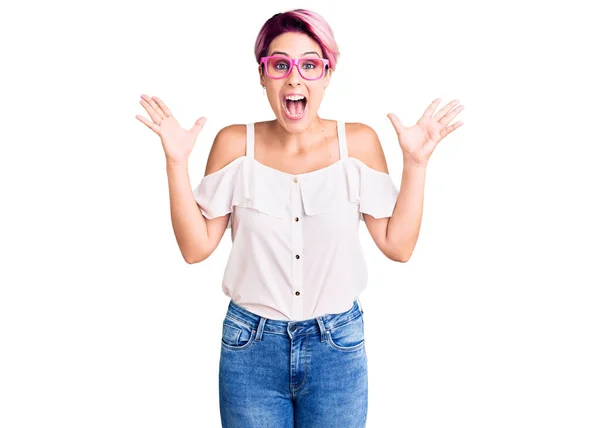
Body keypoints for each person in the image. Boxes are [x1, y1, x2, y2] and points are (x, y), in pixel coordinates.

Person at [135, 8, 464, 427]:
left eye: (309, 65)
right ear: (262, 74)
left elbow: (398, 247)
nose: (294, 79)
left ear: (327, 75)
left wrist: (416, 165)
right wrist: (175, 163)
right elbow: (195, 248)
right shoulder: (235, 144)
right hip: (250, 348)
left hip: (337, 349)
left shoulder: (358, 143)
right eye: (280, 65)